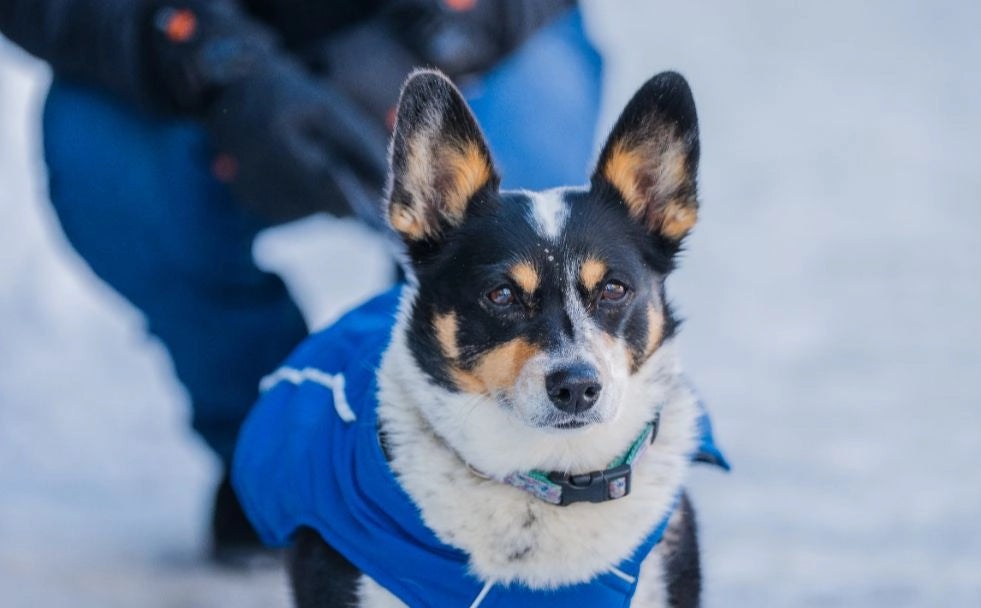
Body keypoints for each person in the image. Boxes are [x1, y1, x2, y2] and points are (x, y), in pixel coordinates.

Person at [0, 0, 603, 558]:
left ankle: (480, 457)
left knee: (516, 222)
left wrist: (430, 37)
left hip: (458, 35)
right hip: (194, 52)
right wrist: (216, 63)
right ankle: (276, 446)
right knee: (104, 161)